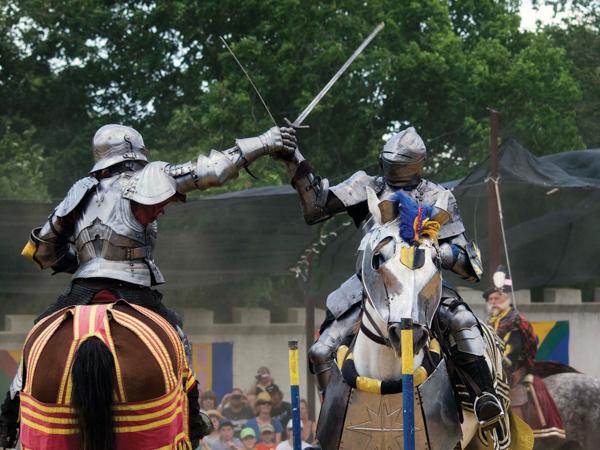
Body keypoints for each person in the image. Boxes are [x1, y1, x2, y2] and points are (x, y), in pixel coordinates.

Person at [0, 123, 297, 447]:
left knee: (38, 336)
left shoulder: (80, 190)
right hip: (133, 290)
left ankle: (9, 416)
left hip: (81, 290)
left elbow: (42, 249)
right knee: (177, 335)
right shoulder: (145, 178)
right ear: (135, 153)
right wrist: (265, 142)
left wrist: (82, 260)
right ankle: (193, 416)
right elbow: (212, 170)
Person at [277, 126, 502, 427]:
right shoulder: (366, 185)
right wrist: (295, 159)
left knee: (462, 323)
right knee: (321, 351)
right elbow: (316, 207)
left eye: (398, 165)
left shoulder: (437, 196)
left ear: (416, 166)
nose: (391, 169)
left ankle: (484, 397)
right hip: (370, 283)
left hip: (422, 281)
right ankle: (332, 422)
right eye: (388, 162)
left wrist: (441, 254)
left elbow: (469, 264)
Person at [485, 268, 565, 441]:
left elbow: (511, 355)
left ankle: (515, 433)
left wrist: (494, 371)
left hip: (514, 370)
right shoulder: (490, 322)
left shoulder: (515, 322)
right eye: (491, 299)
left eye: (497, 298)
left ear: (506, 299)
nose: (493, 302)